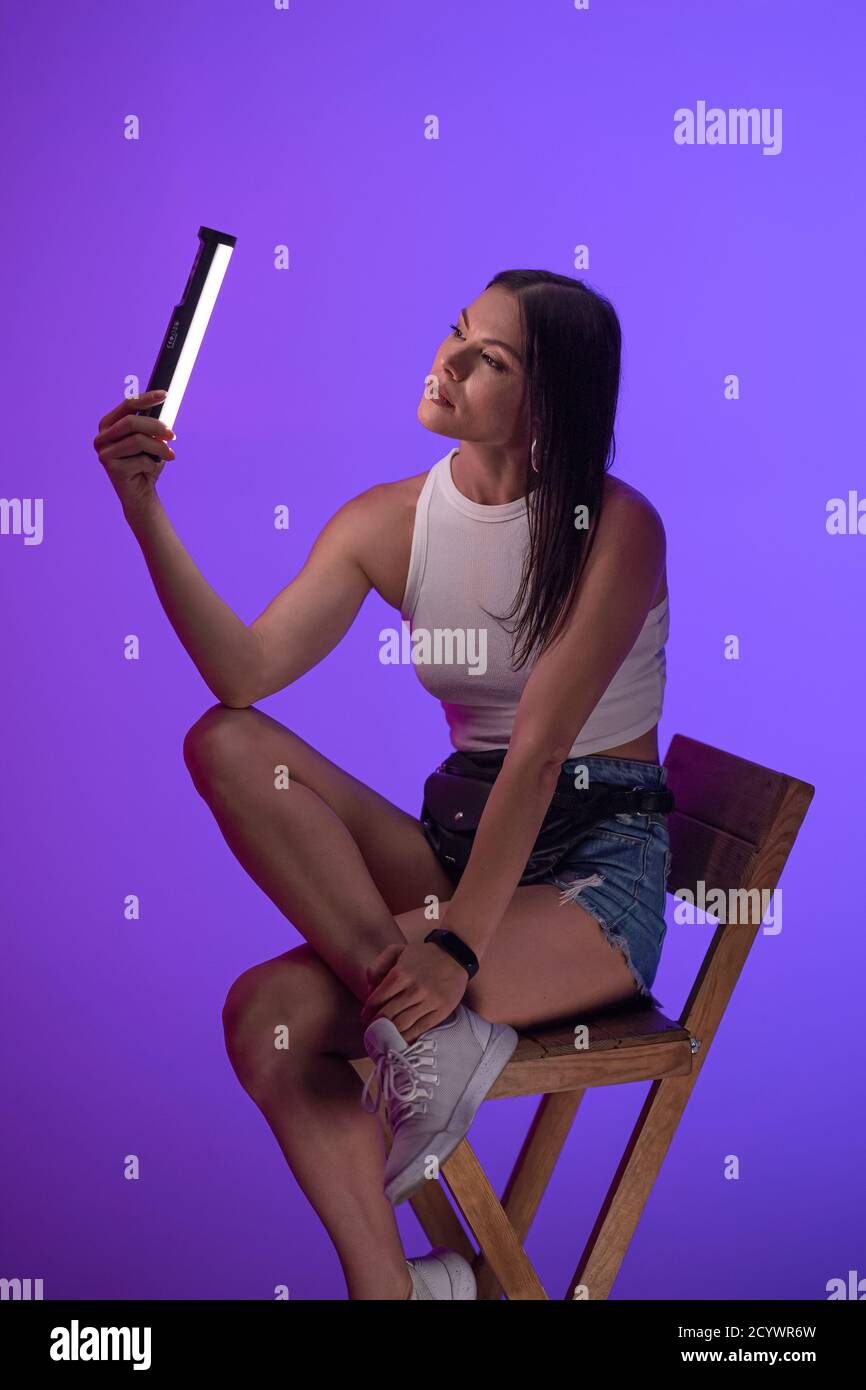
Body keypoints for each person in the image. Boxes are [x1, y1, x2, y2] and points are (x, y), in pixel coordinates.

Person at [92, 269, 671, 1301]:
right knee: (253, 957)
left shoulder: (617, 528)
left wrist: (452, 947)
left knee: (299, 1005)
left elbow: (538, 755)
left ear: (550, 400)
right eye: (456, 333)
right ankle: (389, 1290)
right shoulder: (388, 520)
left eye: (487, 360)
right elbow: (243, 673)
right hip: (456, 849)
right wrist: (145, 514)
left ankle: (409, 1019)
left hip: (588, 871)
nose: (445, 364)